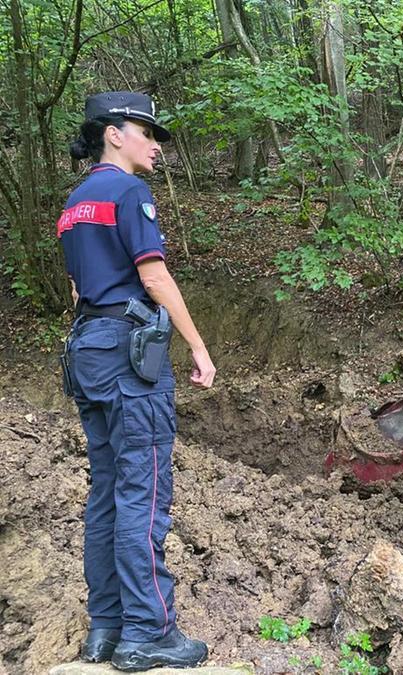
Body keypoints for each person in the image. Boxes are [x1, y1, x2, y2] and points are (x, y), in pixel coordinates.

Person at [59, 91, 215, 671]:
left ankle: (106, 628)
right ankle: (148, 632)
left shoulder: (75, 201)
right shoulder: (129, 192)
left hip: (88, 352)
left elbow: (78, 291)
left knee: (104, 492)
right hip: (129, 359)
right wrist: (197, 346)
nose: (155, 145)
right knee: (142, 493)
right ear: (112, 134)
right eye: (145, 131)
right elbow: (153, 276)